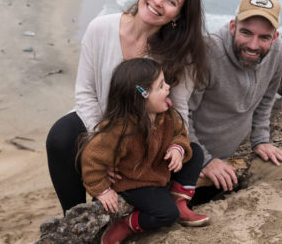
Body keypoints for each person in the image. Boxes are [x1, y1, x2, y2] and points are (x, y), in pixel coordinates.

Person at [46, 0, 208, 214]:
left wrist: (171, 146)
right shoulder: (100, 28)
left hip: (145, 136)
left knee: (191, 152)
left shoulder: (180, 55)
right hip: (99, 123)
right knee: (60, 138)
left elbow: (178, 109)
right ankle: (75, 217)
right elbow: (86, 93)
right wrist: (103, 145)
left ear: (177, 15)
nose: (158, 1)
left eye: (172, 1)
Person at [80, 58, 209, 244]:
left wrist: (177, 148)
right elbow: (92, 158)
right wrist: (102, 190)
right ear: (140, 97)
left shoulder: (166, 115)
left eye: (165, 83)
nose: (168, 88)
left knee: (195, 152)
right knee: (167, 215)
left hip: (156, 169)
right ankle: (126, 224)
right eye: (161, 86)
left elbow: (180, 134)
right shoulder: (120, 130)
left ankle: (179, 201)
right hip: (133, 182)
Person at [188, 0, 282, 192]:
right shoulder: (208, 53)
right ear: (233, 26)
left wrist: (260, 139)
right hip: (188, 160)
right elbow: (181, 113)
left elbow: (267, 97)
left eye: (264, 37)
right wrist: (203, 160)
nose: (253, 45)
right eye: (246, 32)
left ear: (275, 37)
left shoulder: (278, 52)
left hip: (227, 159)